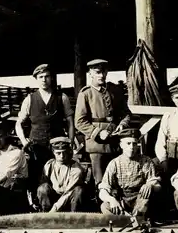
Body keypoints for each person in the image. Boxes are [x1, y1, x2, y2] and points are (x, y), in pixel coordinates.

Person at [15, 64, 75, 204]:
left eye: (47, 76)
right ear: (36, 79)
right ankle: (37, 204)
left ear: (52, 78)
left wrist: (70, 140)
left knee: (60, 173)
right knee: (37, 174)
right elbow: (18, 123)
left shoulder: (62, 97)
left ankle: (61, 202)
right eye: (40, 77)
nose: (44, 79)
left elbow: (70, 122)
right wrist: (24, 141)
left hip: (58, 146)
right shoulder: (30, 99)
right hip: (37, 146)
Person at [75, 59, 131, 188]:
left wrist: (122, 125)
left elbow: (126, 113)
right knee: (100, 181)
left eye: (104, 72)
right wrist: (98, 133)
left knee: (117, 178)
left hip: (115, 141)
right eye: (97, 72)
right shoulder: (85, 93)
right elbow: (79, 121)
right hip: (96, 145)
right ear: (90, 74)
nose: (101, 75)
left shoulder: (114, 90)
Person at [98, 128, 161, 217]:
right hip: (122, 199)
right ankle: (128, 218)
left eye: (134, 144)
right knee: (104, 206)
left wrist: (150, 185)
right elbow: (103, 190)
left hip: (140, 199)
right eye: (128, 143)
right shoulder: (114, 163)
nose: (131, 147)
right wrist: (111, 200)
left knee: (146, 203)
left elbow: (157, 185)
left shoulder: (146, 161)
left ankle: (132, 219)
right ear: (121, 145)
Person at [36, 137, 87, 212]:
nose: (62, 156)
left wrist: (55, 208)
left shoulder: (76, 168)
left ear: (68, 151)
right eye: (58, 153)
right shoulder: (49, 165)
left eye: (64, 152)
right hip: (53, 197)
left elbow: (69, 192)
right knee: (43, 188)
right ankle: (46, 215)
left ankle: (74, 217)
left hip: (69, 198)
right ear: (53, 152)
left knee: (78, 191)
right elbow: (43, 188)